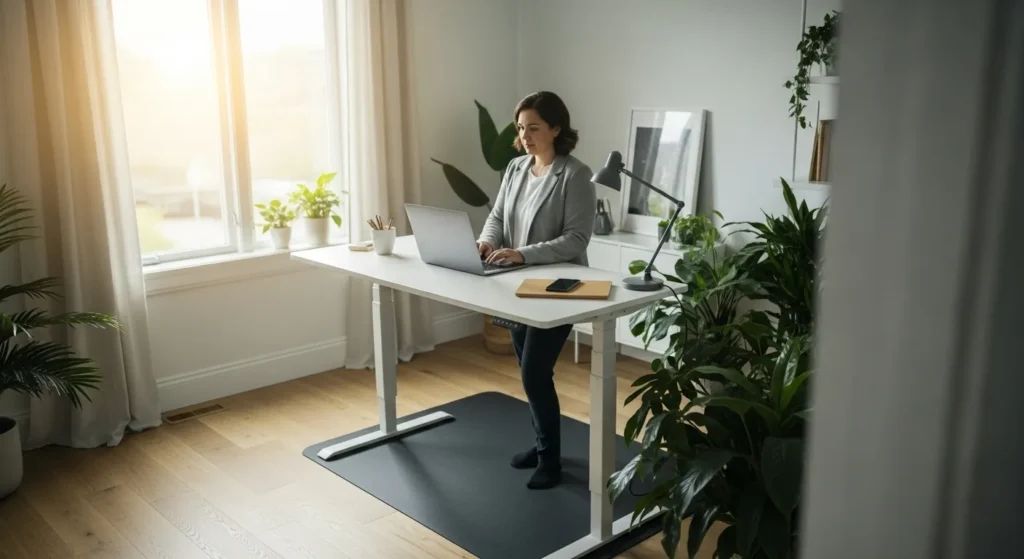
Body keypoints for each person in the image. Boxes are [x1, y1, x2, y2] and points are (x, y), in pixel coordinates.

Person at [476, 91, 597, 490]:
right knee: (531, 371)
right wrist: (486, 242)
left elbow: (576, 239)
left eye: (534, 127)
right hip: (513, 285)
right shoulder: (514, 168)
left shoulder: (576, 175)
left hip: (557, 287)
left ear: (556, 129)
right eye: (520, 128)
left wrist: (522, 254)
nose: (525, 136)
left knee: (534, 373)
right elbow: (497, 216)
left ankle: (550, 459)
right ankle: (542, 442)